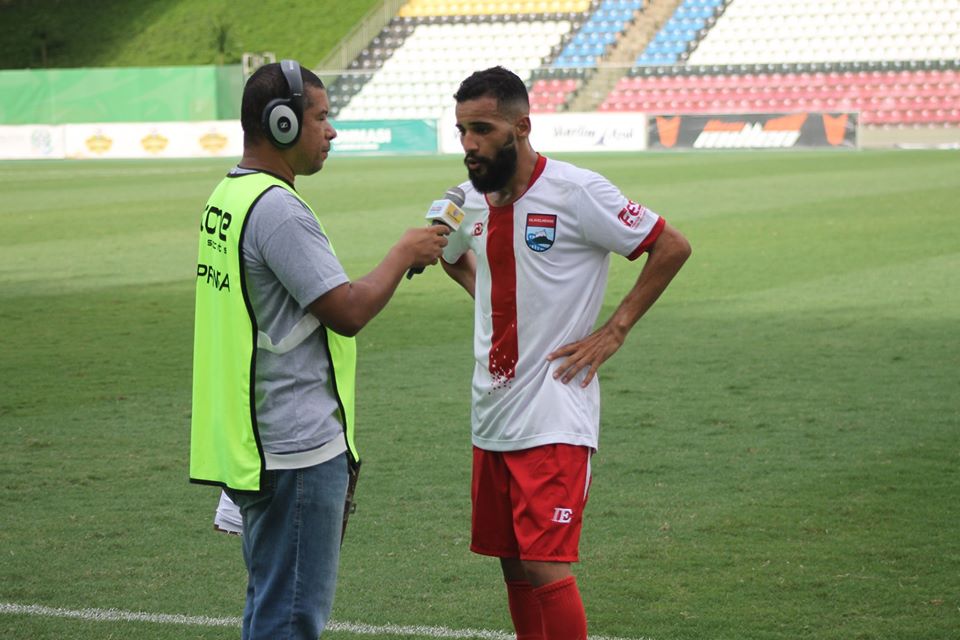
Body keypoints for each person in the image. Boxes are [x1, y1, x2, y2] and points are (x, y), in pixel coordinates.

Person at [189, 60, 449, 640]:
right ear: (282, 124)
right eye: (321, 117)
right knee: (289, 619)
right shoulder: (279, 209)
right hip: (297, 449)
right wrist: (403, 253)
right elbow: (347, 311)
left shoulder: (229, 195)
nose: (331, 131)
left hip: (258, 439)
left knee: (268, 604)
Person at [440, 66, 691, 640]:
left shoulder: (577, 192)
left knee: (544, 563)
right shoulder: (468, 200)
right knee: (512, 563)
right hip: (492, 412)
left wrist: (616, 329)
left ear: (522, 126)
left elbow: (670, 246)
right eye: (461, 131)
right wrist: (493, 298)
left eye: (482, 128)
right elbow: (452, 255)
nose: (469, 144)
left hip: (554, 413)